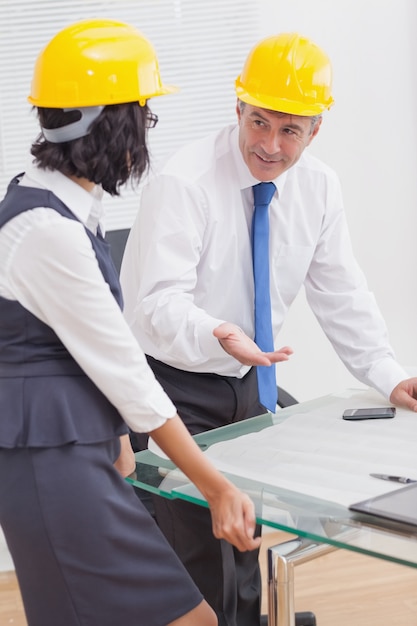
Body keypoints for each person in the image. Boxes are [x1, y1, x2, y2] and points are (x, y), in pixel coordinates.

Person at [119, 31, 417, 626]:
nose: (270, 146)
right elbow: (153, 306)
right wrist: (217, 331)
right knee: (200, 557)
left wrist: (389, 375)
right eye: (259, 123)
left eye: (289, 130)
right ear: (237, 109)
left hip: (251, 384)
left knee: (249, 545)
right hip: (174, 385)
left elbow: (340, 291)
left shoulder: (318, 187)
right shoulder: (184, 183)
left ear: (315, 130)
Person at [0, 18, 262, 626]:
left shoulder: (58, 203)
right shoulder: (46, 231)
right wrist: (216, 487)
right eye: (143, 119)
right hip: (50, 465)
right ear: (113, 123)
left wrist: (115, 438)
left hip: (67, 454)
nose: (144, 138)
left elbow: (82, 345)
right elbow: (126, 370)